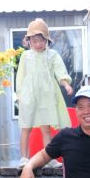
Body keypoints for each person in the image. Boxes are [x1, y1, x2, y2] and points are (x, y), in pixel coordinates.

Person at [14, 18, 73, 168]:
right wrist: (19, 95)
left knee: (46, 128)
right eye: (34, 41)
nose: (38, 44)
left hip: (46, 96)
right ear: (29, 41)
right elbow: (20, 77)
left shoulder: (52, 55)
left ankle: (49, 158)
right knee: (26, 127)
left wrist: (66, 84)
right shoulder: (26, 56)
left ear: (47, 40)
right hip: (29, 96)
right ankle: (24, 158)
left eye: (41, 41)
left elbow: (60, 71)